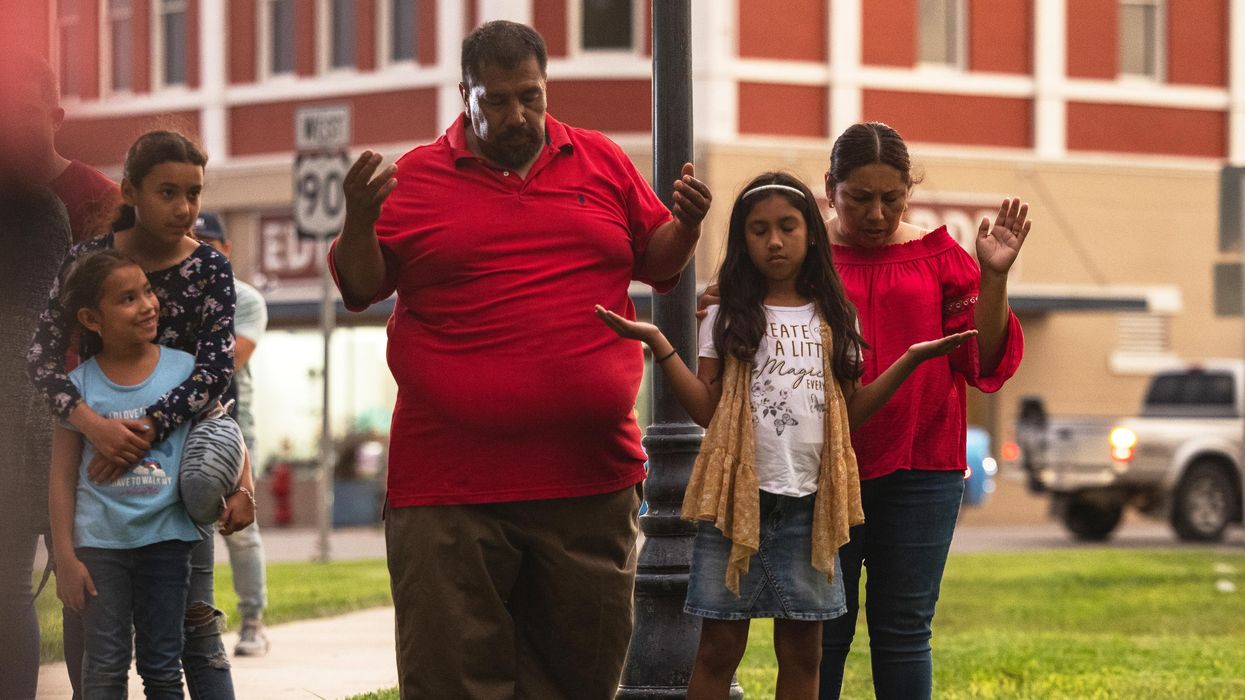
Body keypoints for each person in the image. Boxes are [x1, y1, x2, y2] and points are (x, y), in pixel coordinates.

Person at [331, 20, 712, 700]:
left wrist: (684, 226)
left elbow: (657, 265)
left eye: (529, 96)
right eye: (497, 100)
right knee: (451, 682)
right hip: (450, 489)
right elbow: (361, 286)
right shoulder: (414, 178)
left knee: (579, 681)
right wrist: (359, 220)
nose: (516, 115)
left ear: (546, 88)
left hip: (587, 482)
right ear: (465, 95)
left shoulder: (601, 160)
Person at [596, 172, 975, 700]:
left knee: (803, 651)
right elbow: (706, 409)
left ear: (811, 235)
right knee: (718, 649)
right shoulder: (727, 314)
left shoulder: (836, 315)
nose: (774, 241)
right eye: (759, 230)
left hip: (810, 508)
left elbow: (848, 414)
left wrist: (909, 361)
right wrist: (660, 344)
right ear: (743, 240)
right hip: (735, 503)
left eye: (787, 228)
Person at [29, 129, 254, 700]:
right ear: (131, 191)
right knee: (97, 646)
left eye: (194, 193)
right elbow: (41, 359)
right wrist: (93, 425)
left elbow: (214, 376)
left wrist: (151, 429)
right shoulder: (89, 261)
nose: (184, 208)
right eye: (167, 192)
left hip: (184, 481)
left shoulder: (210, 269)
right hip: (102, 490)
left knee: (194, 630)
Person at [817, 122, 1028, 699]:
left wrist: (994, 279)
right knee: (822, 631)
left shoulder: (938, 256)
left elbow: (984, 359)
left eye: (892, 198)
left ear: (910, 191)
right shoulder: (803, 256)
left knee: (904, 630)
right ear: (830, 187)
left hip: (922, 467)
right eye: (860, 198)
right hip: (820, 469)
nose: (877, 214)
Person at [2, 50, 122, 700]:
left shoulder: (100, 201)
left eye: (25, 112)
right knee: (7, 590)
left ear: (56, 116)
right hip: (9, 430)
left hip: (81, 425)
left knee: (85, 589)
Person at [48, 249, 204, 698]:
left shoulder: (184, 370)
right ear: (91, 319)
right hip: (99, 548)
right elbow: (60, 477)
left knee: (163, 668)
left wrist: (241, 489)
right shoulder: (78, 388)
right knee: (104, 667)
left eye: (147, 291)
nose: (148, 305)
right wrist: (65, 559)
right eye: (128, 299)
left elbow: (221, 433)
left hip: (167, 542)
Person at [0, 175, 71, 699]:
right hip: (45, 423)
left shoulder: (37, 205)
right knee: (23, 590)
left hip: (38, 431)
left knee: (17, 589)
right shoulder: (45, 205)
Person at [193, 212, 272, 656]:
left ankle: (253, 622)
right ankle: (191, 623)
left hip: (234, 427)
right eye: (195, 240)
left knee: (240, 527)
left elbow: (230, 361)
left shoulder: (246, 299)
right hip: (183, 425)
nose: (201, 249)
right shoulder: (171, 291)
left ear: (226, 248)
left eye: (210, 242)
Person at [1, 51, 120, 243]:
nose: (12, 124)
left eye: (27, 112)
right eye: (4, 113)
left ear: (56, 119)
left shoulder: (104, 198)